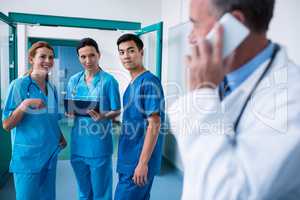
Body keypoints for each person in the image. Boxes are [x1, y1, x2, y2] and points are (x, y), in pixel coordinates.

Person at [168, 0, 300, 199]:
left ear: (234, 24)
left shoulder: (291, 99)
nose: (190, 37)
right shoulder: (218, 78)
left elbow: (225, 193)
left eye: (195, 24)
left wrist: (201, 94)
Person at [2, 41, 67, 200]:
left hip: (50, 154)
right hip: (28, 158)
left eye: (51, 57)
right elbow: (7, 124)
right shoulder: (19, 86)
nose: (48, 61)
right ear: (31, 59)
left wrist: (60, 136)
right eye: (42, 56)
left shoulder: (51, 88)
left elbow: (52, 119)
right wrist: (25, 104)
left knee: (48, 197)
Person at [65, 38, 121, 200]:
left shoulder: (109, 81)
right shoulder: (74, 81)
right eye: (83, 57)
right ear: (78, 57)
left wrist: (104, 116)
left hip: (99, 144)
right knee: (83, 191)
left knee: (101, 192)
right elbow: (70, 106)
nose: (88, 60)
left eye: (91, 55)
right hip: (78, 144)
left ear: (98, 55)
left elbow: (117, 110)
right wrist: (70, 113)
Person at [114, 33, 165, 200]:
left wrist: (142, 164)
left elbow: (154, 124)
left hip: (137, 160)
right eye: (121, 52)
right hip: (128, 156)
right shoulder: (132, 83)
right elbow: (135, 117)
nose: (126, 56)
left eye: (131, 51)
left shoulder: (149, 82)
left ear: (141, 52)